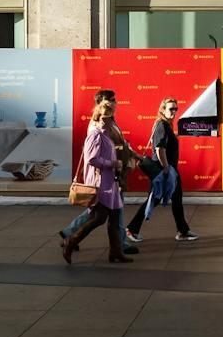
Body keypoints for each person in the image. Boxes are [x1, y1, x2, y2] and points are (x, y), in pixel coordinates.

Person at [60, 89, 139, 253]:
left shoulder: (110, 120)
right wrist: (114, 163)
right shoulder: (98, 126)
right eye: (111, 100)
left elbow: (118, 144)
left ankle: (71, 234)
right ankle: (118, 245)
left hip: (113, 173)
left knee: (102, 212)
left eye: (115, 99)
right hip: (106, 176)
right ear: (101, 103)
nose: (115, 102)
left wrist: (131, 154)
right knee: (104, 213)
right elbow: (93, 157)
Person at [125, 96, 198, 244]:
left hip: (168, 170)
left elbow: (166, 141)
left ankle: (182, 231)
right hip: (163, 171)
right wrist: (165, 167)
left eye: (176, 109)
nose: (174, 111)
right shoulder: (161, 125)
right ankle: (132, 229)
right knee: (154, 199)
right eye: (171, 109)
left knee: (175, 200)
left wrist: (178, 135)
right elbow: (159, 148)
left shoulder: (166, 125)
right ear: (163, 110)